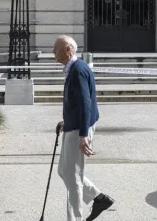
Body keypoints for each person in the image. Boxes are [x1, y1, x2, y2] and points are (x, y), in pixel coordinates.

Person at [53, 35, 114, 221]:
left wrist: (83, 134)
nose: (53, 52)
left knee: (73, 179)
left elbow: (85, 104)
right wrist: (67, 121)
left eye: (56, 48)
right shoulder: (73, 68)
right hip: (75, 125)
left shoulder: (78, 70)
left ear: (69, 50)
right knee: (64, 171)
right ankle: (98, 198)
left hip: (80, 129)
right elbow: (77, 104)